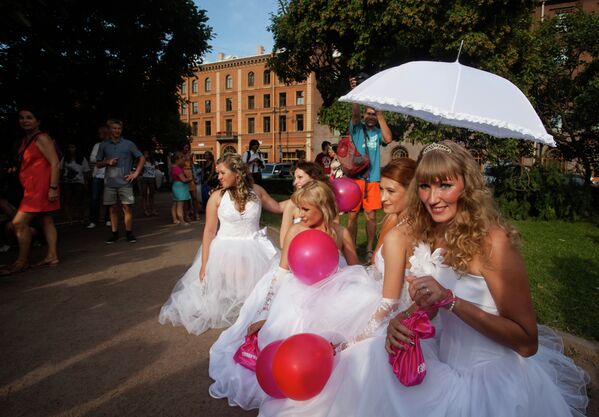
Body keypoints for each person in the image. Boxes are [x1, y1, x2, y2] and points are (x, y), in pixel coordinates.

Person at [260, 141, 589, 417]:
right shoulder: (432, 234)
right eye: (426, 186)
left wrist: (452, 301)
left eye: (446, 185)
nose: (433, 197)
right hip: (441, 367)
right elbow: (431, 309)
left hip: (492, 383)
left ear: (467, 187)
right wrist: (400, 321)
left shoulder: (494, 242)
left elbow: (526, 342)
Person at [208, 180, 380, 410]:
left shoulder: (339, 233)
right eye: (299, 208)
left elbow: (355, 270)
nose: (300, 214)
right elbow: (281, 272)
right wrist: (265, 312)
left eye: (306, 209)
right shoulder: (297, 230)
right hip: (297, 293)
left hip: (332, 293)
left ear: (324, 208)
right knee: (289, 335)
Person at [159, 153, 283, 335]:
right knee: (222, 292)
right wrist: (204, 265)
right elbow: (209, 232)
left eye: (222, 173)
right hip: (225, 250)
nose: (219, 177)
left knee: (262, 289)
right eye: (218, 173)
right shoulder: (217, 197)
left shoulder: (256, 191)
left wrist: (305, 199)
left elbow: (278, 208)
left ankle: (253, 312)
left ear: (237, 173)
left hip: (254, 248)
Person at [0, 107, 61, 275]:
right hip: (32, 187)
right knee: (46, 220)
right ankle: (52, 256)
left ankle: (21, 261)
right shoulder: (26, 139)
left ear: (38, 121)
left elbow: (55, 162)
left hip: (40, 188)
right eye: (22, 118)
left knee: (18, 223)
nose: (25, 120)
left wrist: (53, 188)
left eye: (29, 117)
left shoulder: (41, 138)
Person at [347, 77, 392, 261]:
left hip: (372, 179)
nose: (370, 116)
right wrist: (356, 92)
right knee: (351, 215)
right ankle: (349, 247)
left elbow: (388, 139)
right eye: (369, 114)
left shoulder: (378, 132)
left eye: (373, 114)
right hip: (356, 178)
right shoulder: (357, 128)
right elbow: (355, 115)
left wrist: (381, 114)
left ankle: (369, 248)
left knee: (371, 215)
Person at [96, 119, 145, 244]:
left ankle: (129, 233)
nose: (117, 131)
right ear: (110, 130)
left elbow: (141, 158)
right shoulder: (104, 145)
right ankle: (114, 234)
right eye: (114, 128)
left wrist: (136, 173)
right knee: (112, 208)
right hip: (110, 183)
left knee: (127, 207)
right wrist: (107, 162)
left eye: (119, 128)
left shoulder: (129, 144)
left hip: (125, 182)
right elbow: (97, 164)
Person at [279, 160, 329, 246]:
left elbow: (335, 235)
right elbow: (283, 243)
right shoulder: (292, 204)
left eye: (300, 177)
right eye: (295, 178)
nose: (295, 182)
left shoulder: (327, 202)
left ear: (313, 177)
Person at [87, 125, 111, 228]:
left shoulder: (113, 145)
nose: (102, 135)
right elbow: (92, 159)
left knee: (109, 198)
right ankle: (93, 220)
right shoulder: (97, 145)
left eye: (104, 133)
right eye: (101, 133)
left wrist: (101, 160)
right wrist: (106, 161)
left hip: (110, 175)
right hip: (97, 175)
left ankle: (108, 219)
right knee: (95, 198)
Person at [60, 142, 90, 224]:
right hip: (67, 182)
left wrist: (86, 183)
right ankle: (70, 219)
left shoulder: (82, 159)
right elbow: (60, 170)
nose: (71, 149)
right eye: (69, 147)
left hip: (79, 182)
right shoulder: (65, 158)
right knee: (67, 200)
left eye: (73, 147)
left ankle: (81, 217)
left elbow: (86, 172)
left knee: (79, 200)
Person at [170, 151, 192, 225]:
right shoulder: (177, 169)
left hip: (176, 185)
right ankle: (182, 221)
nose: (184, 161)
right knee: (180, 205)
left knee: (175, 203)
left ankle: (175, 219)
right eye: (182, 159)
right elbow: (184, 180)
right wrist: (190, 178)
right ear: (177, 160)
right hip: (180, 187)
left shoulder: (173, 167)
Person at [181, 141, 201, 221]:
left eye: (188, 147)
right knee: (186, 198)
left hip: (191, 176)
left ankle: (196, 213)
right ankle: (187, 214)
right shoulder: (180, 155)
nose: (187, 149)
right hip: (183, 175)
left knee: (194, 197)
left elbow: (193, 167)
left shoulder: (191, 155)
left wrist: (195, 177)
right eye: (185, 147)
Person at [139, 150, 158, 216]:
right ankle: (145, 210)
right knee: (144, 195)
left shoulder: (154, 162)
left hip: (152, 178)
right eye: (145, 154)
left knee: (152, 195)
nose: (146, 155)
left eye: (147, 154)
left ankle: (153, 210)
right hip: (144, 178)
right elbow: (140, 171)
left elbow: (157, 170)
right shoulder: (142, 162)